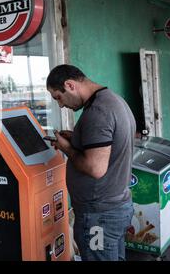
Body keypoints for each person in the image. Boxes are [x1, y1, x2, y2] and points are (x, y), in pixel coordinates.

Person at [46, 64, 135, 261]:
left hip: (99, 217)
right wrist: (77, 139)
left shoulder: (98, 112)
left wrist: (66, 148)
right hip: (115, 207)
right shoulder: (113, 100)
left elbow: (95, 168)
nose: (60, 105)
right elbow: (106, 147)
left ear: (69, 85)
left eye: (58, 97)